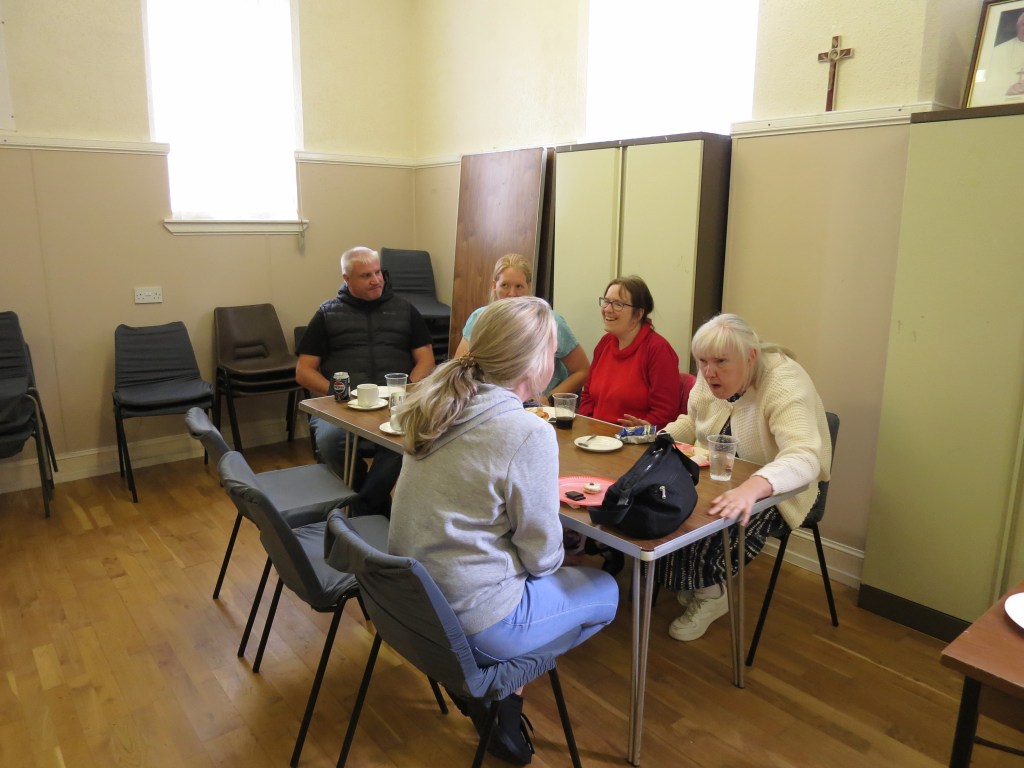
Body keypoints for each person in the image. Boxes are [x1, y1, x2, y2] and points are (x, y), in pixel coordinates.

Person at [389, 296, 618, 765]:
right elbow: (541, 558)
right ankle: (497, 687)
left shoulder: (436, 405)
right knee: (607, 591)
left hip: (411, 604)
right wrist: (562, 554)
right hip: (470, 621)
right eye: (551, 352)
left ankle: (492, 689)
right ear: (535, 363)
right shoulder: (526, 431)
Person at [651, 313, 832, 642]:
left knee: (710, 524)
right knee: (667, 505)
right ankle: (698, 581)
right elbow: (692, 422)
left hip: (783, 486)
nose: (708, 372)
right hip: (722, 473)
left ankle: (712, 593)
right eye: (702, 361)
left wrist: (752, 488)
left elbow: (805, 458)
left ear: (751, 356)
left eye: (720, 362)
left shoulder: (784, 382)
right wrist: (657, 439)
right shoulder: (711, 373)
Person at [295, 246, 435, 517]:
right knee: (330, 441)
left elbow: (426, 361)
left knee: (406, 438)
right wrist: (339, 394)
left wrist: (405, 391)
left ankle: (364, 506)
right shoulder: (327, 314)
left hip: (396, 403)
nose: (376, 280)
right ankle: (373, 503)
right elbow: (304, 371)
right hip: (343, 405)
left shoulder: (405, 310)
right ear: (346, 279)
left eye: (378, 272)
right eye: (366, 275)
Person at [453, 253, 589, 404]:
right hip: (492, 402)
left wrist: (546, 400)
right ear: (494, 286)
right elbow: (460, 366)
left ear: (529, 287)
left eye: (519, 286)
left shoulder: (550, 322)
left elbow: (582, 371)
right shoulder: (479, 318)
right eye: (505, 285)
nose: (512, 293)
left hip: (535, 406)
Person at [577, 275, 680, 429]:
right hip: (595, 437)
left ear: (638, 314)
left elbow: (665, 413)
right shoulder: (605, 343)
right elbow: (587, 395)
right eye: (606, 302)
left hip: (632, 439)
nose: (607, 309)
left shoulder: (658, 350)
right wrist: (587, 426)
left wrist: (634, 432)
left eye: (618, 304)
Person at [975, 11, 1024, 103]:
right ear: (1017, 26)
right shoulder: (997, 51)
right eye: (1023, 24)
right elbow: (983, 87)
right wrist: (1006, 91)